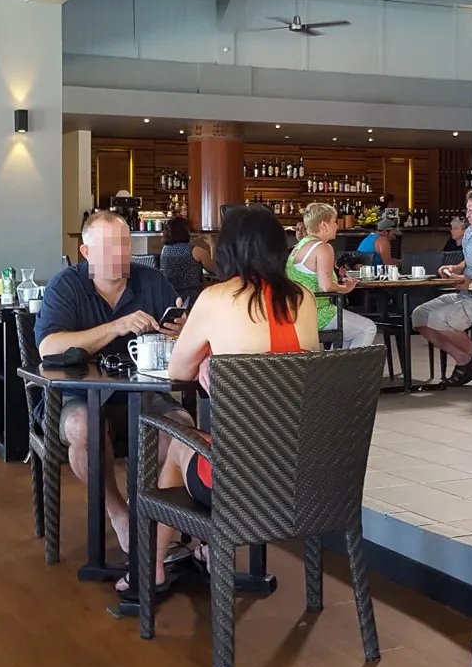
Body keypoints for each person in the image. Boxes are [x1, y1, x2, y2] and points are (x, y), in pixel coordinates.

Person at [140, 204, 319, 590]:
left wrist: (212, 360)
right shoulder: (303, 299)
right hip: (299, 477)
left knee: (178, 443)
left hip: (239, 483)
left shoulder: (216, 298)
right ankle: (208, 549)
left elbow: (178, 373)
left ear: (228, 250)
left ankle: (150, 567)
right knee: (226, 442)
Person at [35, 210, 192, 560]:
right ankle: (118, 512)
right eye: (108, 247)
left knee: (181, 428)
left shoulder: (153, 282)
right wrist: (116, 327)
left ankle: (151, 513)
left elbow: (186, 338)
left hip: (144, 393)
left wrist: (183, 332)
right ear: (86, 252)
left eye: (124, 244)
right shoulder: (66, 285)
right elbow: (49, 347)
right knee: (84, 428)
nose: (119, 254)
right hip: (78, 395)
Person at [287, 202, 377, 347]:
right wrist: (345, 288)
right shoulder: (323, 247)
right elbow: (326, 286)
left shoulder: (299, 246)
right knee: (368, 328)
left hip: (297, 311)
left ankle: (338, 361)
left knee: (349, 334)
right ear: (324, 225)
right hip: (317, 313)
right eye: (334, 222)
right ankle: (346, 362)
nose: (336, 226)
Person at [414, 188, 472, 386]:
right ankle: (464, 359)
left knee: (438, 318)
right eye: (467, 210)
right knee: (419, 315)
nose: (468, 215)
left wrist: (468, 283)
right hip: (464, 293)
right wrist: (454, 268)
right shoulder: (469, 234)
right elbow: (467, 261)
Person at [157, 217, 213, 305]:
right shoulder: (195, 251)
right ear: (185, 231)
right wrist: (212, 245)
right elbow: (215, 270)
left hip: (172, 300)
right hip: (193, 301)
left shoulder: (164, 250)